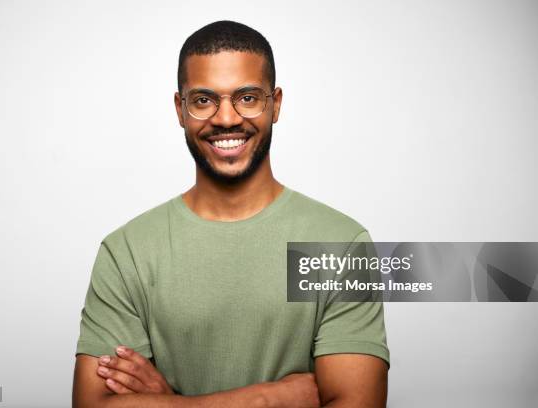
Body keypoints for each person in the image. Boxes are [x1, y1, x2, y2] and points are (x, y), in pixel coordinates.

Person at [72, 20, 389, 408]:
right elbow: (93, 405)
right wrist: (269, 398)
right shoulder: (127, 253)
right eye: (203, 100)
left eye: (248, 97)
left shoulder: (342, 246)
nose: (226, 119)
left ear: (276, 104)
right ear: (180, 109)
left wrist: (168, 403)